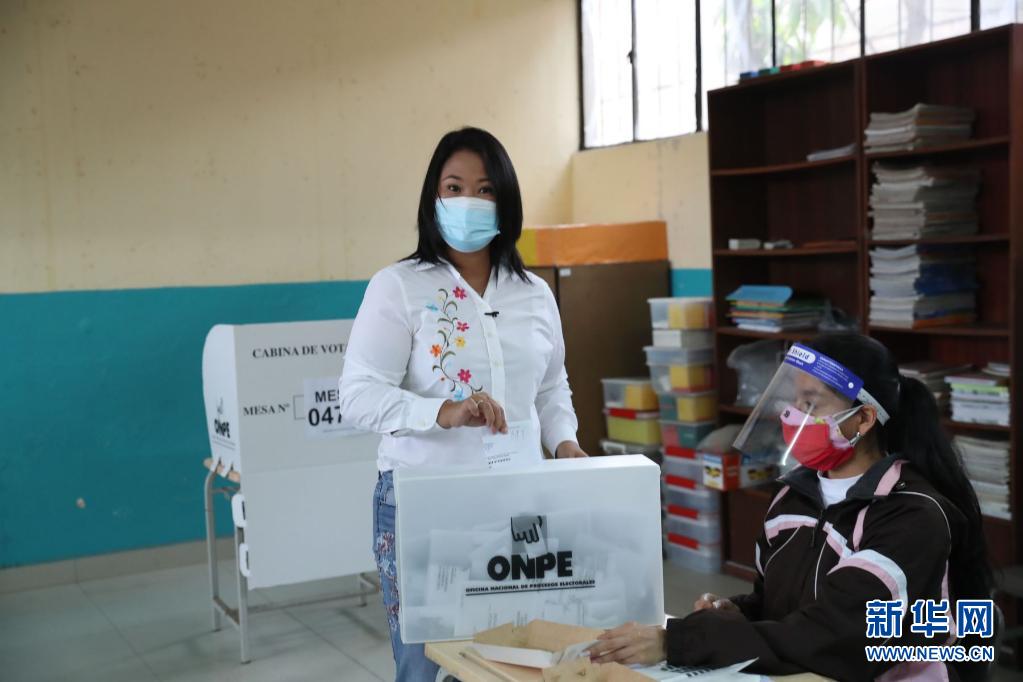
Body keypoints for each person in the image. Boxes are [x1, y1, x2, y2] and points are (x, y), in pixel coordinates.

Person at [588, 333, 992, 682]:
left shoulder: (911, 515)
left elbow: (836, 636)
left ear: (864, 418)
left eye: (811, 404)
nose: (793, 415)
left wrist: (677, 641)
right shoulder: (793, 496)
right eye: (795, 401)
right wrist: (738, 613)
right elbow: (780, 605)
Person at [338, 126, 587, 681]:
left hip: (521, 504)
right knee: (427, 665)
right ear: (434, 197)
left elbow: (551, 386)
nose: (468, 200)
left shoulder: (534, 293)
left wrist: (565, 442)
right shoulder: (398, 286)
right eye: (454, 187)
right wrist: (440, 412)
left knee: (519, 659)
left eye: (485, 189)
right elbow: (356, 395)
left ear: (506, 200)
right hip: (426, 505)